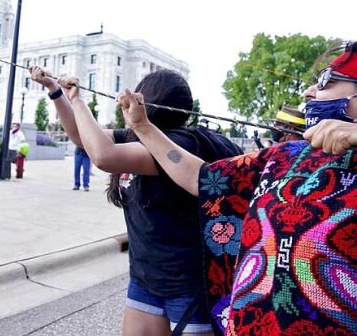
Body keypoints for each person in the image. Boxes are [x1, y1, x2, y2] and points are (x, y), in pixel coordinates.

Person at [118, 43, 357, 335]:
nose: (308, 93)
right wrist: (142, 126)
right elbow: (199, 177)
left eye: (324, 83)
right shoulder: (283, 156)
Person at [30, 66, 242, 336]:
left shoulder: (180, 143)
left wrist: (78, 100)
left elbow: (103, 156)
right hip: (145, 279)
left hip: (189, 284)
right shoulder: (138, 136)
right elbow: (83, 139)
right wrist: (58, 92)